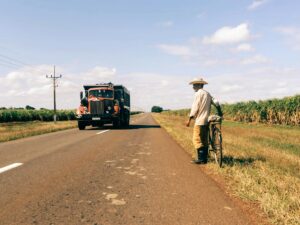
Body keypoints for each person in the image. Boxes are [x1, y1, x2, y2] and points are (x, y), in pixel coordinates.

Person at [186, 78, 223, 164]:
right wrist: (220, 112)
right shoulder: (208, 94)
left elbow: (195, 107)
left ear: (199, 85)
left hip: (199, 121)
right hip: (206, 120)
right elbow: (216, 103)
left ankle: (201, 159)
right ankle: (204, 158)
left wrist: (189, 119)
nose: (193, 87)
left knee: (197, 139)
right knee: (204, 140)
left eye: (194, 85)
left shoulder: (198, 94)